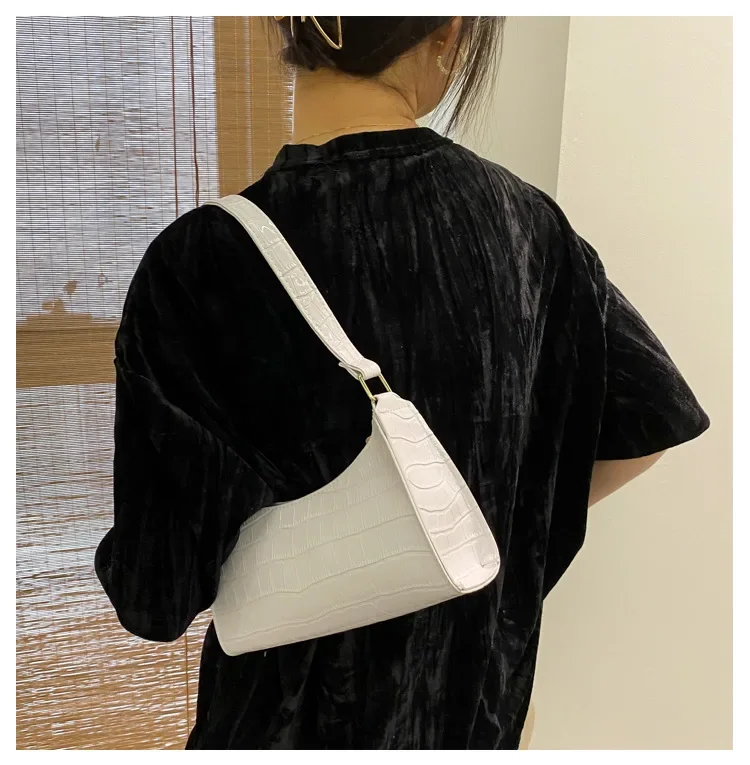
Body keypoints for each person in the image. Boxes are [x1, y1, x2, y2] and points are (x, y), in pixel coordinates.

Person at [95, 16, 709, 749]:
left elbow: (154, 596)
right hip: (474, 715)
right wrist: (483, 528)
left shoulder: (198, 261)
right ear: (450, 30)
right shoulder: (530, 226)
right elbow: (651, 422)